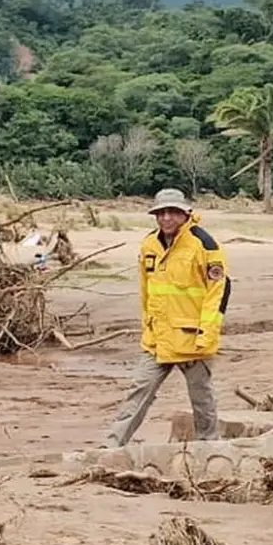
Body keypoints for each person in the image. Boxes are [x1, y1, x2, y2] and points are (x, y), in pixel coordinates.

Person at [104, 188, 229, 448]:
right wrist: (147, 327)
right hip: (157, 339)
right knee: (138, 392)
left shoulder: (204, 244)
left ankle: (209, 446)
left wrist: (207, 334)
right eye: (161, 213)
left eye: (173, 212)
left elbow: (218, 293)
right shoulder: (149, 244)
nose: (166, 218)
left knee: (202, 399)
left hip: (192, 339)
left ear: (185, 214)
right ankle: (112, 446)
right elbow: (146, 291)